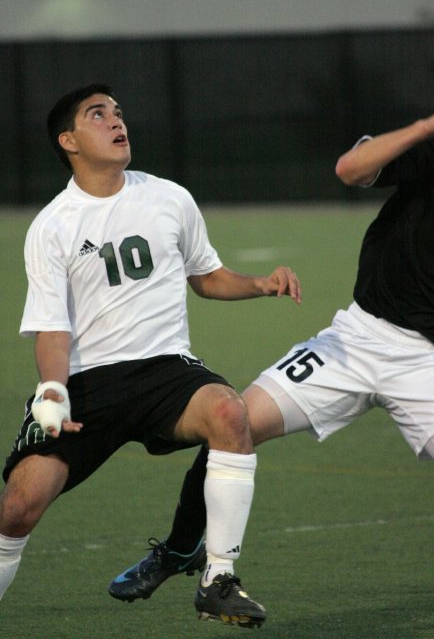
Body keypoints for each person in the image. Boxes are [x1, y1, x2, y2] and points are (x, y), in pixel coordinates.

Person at [109, 101, 434, 605]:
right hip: (356, 339)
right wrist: (429, 126)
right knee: (235, 422)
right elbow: (350, 169)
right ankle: (181, 551)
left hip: (432, 363)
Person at [0, 83, 301, 629]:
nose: (117, 122)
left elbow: (205, 277)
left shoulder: (169, 197)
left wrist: (260, 282)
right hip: (89, 383)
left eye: (118, 112)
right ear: (68, 140)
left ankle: (218, 580)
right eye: (98, 115)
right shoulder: (53, 224)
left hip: (165, 370)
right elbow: (51, 327)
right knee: (18, 507)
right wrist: (51, 391)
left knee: (230, 412)